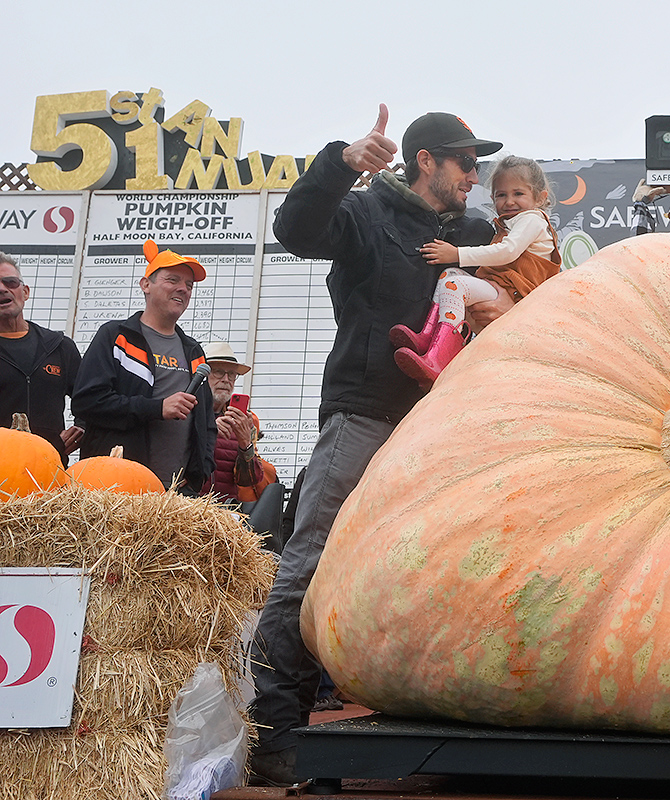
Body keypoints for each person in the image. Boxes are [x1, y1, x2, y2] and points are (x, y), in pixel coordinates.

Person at [249, 104, 503, 787]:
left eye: (480, 165)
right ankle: (275, 732)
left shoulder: (475, 233)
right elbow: (296, 230)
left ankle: (438, 730)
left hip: (444, 428)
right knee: (308, 566)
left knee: (437, 573)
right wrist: (339, 163)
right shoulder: (367, 214)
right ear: (426, 161)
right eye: (466, 163)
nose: (476, 176)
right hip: (364, 416)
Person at [392, 155, 561, 388]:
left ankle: (441, 356)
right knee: (450, 276)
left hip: (514, 292)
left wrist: (457, 254)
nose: (509, 201)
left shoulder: (533, 220)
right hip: (500, 288)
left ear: (540, 198)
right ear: (492, 198)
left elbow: (508, 252)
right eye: (501, 195)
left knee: (454, 284)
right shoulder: (510, 224)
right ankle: (430, 336)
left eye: (518, 193)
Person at [72, 239, 216, 494]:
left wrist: (199, 473)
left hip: (176, 495)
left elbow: (206, 424)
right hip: (115, 487)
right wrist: (156, 408)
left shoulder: (193, 351)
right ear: (145, 284)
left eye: (189, 285)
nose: (183, 289)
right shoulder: (116, 337)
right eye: (173, 280)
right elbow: (87, 402)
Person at [0, 253, 82, 465]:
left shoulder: (60, 346)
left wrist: (82, 428)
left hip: (50, 469)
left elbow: (90, 399)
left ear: (25, 292)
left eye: (10, 282)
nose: (2, 289)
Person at [198, 341, 277, 504]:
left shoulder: (241, 420)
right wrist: (209, 429)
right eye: (219, 372)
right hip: (187, 508)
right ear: (203, 375)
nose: (226, 380)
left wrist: (245, 444)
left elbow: (248, 481)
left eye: (232, 374)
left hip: (225, 514)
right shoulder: (188, 410)